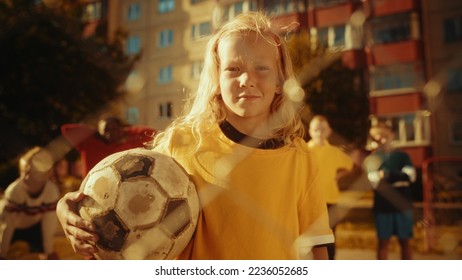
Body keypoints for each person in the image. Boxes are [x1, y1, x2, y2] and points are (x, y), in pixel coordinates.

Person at [56, 11, 334, 260]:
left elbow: (316, 245)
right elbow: (117, 192)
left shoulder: (301, 159)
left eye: (261, 67)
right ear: (216, 82)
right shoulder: (184, 143)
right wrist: (65, 208)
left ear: (279, 83)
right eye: (233, 69)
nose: (246, 79)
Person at [364, 120, 416, 260]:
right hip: (383, 204)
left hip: (402, 203)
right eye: (377, 136)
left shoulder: (402, 156)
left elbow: (411, 176)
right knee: (383, 242)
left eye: (384, 135)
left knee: (404, 241)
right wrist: (398, 176)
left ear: (392, 134)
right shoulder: (372, 159)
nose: (381, 139)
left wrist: (386, 175)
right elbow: (374, 181)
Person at [307, 115, 356, 260]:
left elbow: (350, 165)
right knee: (310, 238)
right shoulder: (304, 150)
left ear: (329, 131)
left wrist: (338, 176)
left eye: (323, 129)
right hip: (309, 200)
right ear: (310, 131)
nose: (319, 132)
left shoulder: (334, 152)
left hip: (330, 199)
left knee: (329, 238)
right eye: (316, 129)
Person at [0, 146, 60, 260]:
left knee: (51, 257)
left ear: (46, 174)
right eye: (24, 171)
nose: (26, 177)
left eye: (32, 172)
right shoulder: (14, 192)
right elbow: (6, 226)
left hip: (34, 225)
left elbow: (49, 223)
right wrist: (2, 253)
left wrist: (48, 250)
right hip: (11, 224)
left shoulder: (51, 191)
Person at [61, 116, 156, 177]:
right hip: (94, 185)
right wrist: (92, 132)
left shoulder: (131, 139)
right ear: (99, 132)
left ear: (121, 128)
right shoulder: (90, 143)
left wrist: (127, 132)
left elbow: (153, 133)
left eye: (114, 128)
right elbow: (66, 129)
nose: (111, 133)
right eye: (106, 130)